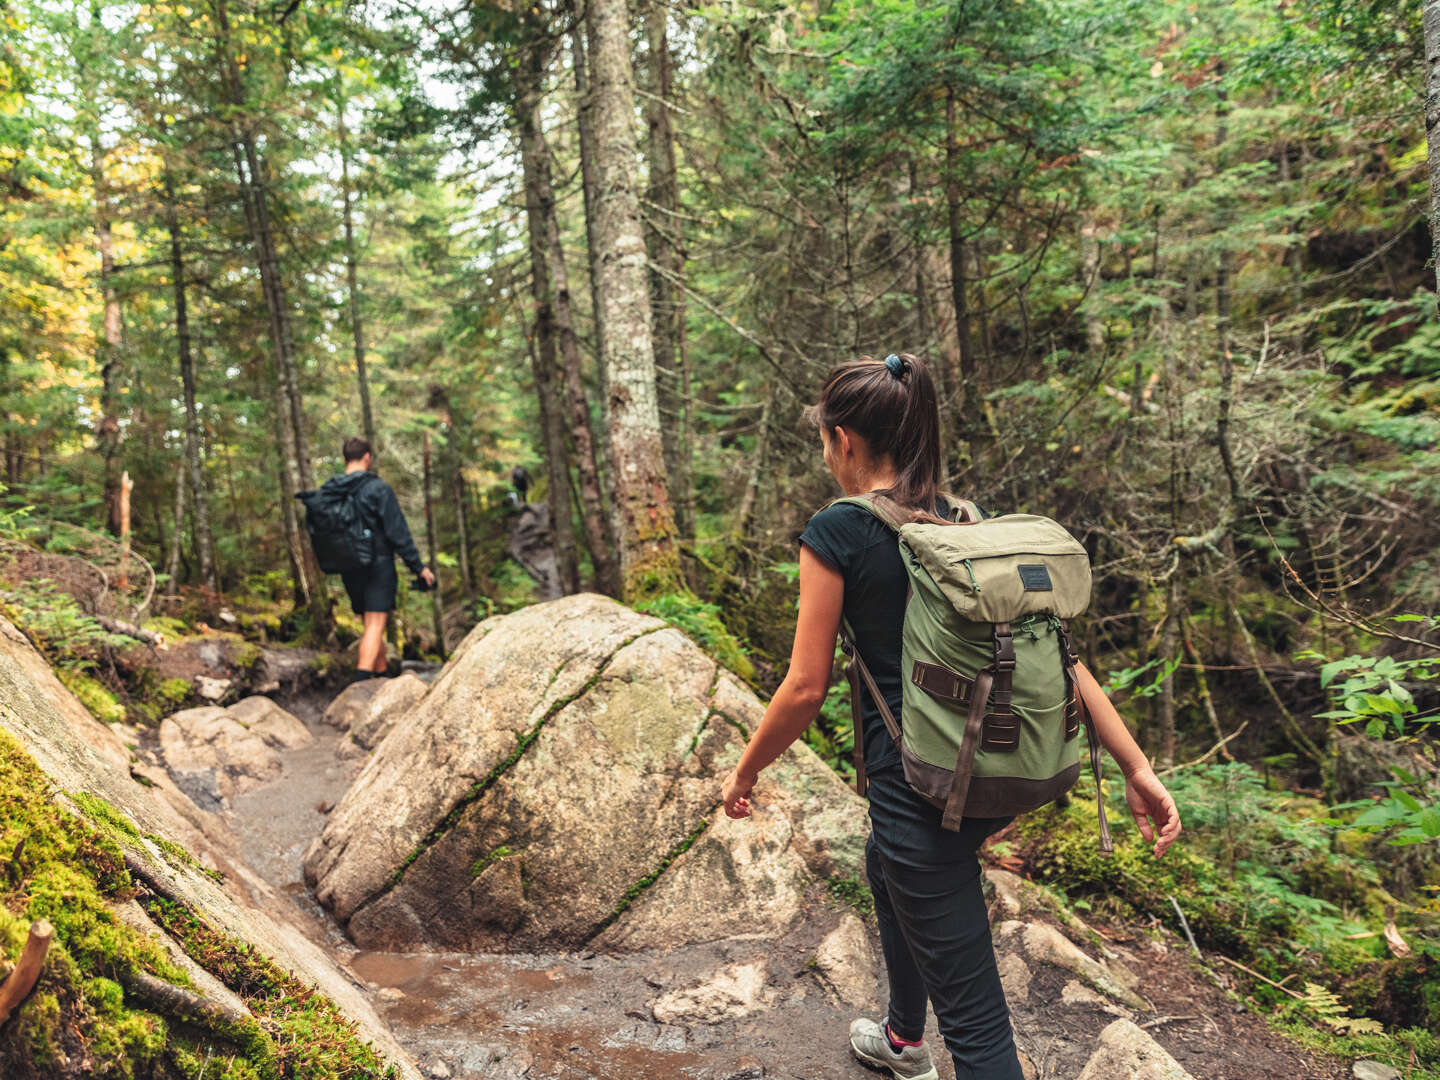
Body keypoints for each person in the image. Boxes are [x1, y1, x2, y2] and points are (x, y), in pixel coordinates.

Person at [719, 354, 1182, 1080]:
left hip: (920, 791)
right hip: (986, 774)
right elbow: (1064, 658)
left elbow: (804, 689)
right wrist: (1137, 764)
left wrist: (745, 770)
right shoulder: (968, 522)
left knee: (979, 1030)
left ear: (843, 440)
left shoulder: (837, 532)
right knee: (883, 864)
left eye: (823, 439)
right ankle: (904, 1041)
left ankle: (929, 1044)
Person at [326, 437, 435, 679]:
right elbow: (398, 533)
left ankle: (382, 677)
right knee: (375, 624)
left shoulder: (332, 490)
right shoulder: (377, 488)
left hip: (348, 565)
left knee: (370, 625)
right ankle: (361, 683)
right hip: (377, 564)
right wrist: (418, 567)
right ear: (367, 457)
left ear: (345, 459)